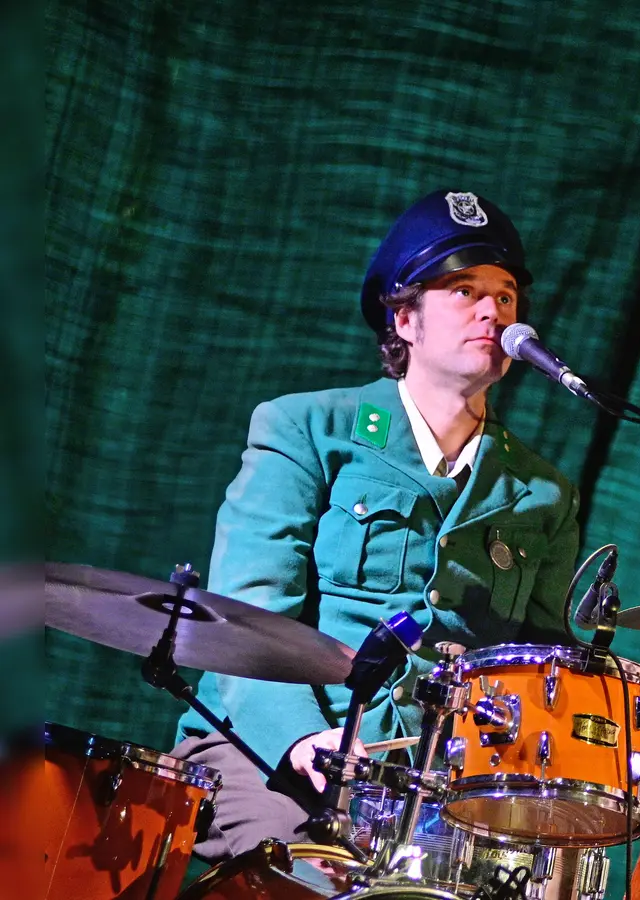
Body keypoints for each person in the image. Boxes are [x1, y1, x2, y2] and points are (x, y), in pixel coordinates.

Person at [173, 189, 581, 861]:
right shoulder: (306, 428)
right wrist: (303, 735)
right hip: (266, 747)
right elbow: (243, 613)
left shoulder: (542, 493)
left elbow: (535, 667)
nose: (493, 311)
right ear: (404, 319)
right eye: (463, 289)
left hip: (425, 788)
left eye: (506, 296)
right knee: (312, 877)